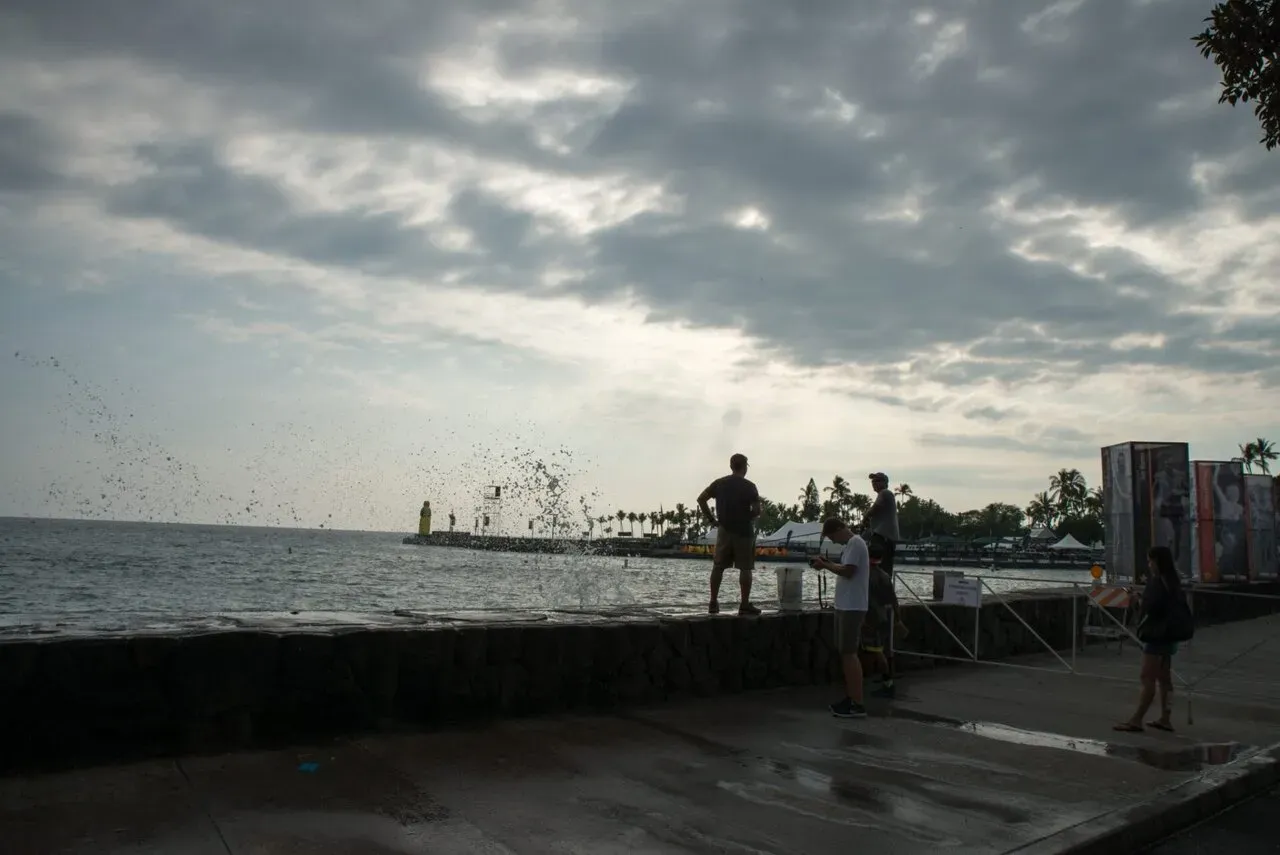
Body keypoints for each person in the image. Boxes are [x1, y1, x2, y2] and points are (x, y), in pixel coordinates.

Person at [1115, 546, 1184, 733]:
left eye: (1149, 561)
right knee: (1165, 680)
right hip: (1169, 636)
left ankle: (1136, 720)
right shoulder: (1173, 581)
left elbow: (1151, 608)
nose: (1149, 565)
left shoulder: (1157, 582)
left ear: (1157, 562)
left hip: (1156, 636)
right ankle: (1165, 718)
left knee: (1147, 677)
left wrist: (1136, 600)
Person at [812, 517, 871, 718]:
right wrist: (828, 563)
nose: (833, 541)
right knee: (845, 652)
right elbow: (844, 567)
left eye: (831, 536)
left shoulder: (855, 543)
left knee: (849, 653)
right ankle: (851, 697)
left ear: (839, 529)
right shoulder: (851, 546)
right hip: (846, 605)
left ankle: (857, 703)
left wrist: (826, 566)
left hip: (852, 607)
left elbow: (848, 571)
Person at [697, 453, 762, 615]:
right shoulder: (750, 486)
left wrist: (712, 520)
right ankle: (744, 604)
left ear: (731, 466)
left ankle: (713, 602)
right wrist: (752, 515)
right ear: (745, 467)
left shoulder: (720, 483)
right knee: (745, 568)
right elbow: (756, 511)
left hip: (724, 530)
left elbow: (701, 499)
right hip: (744, 532)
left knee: (718, 567)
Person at [863, 472, 903, 689]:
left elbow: (873, 511)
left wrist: (864, 516)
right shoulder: (885, 497)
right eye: (873, 482)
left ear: (885, 483)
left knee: (881, 575)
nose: (875, 485)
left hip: (885, 540)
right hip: (882, 537)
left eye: (877, 481)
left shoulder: (886, 494)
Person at [860, 542, 898, 699]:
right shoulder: (884, 576)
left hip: (870, 617)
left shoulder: (865, 575)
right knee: (876, 651)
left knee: (875, 652)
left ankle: (887, 684)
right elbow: (893, 600)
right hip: (883, 616)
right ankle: (881, 682)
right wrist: (898, 619)